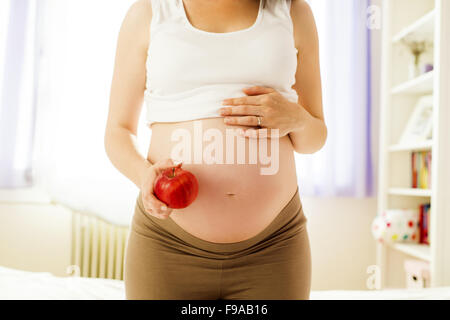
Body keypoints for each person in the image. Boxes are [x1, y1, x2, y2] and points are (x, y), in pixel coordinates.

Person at [105, 0, 326, 300]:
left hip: (274, 247)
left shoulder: (293, 11)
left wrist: (296, 118)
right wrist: (144, 175)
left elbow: (315, 136)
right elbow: (118, 131)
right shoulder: (148, 12)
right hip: (168, 245)